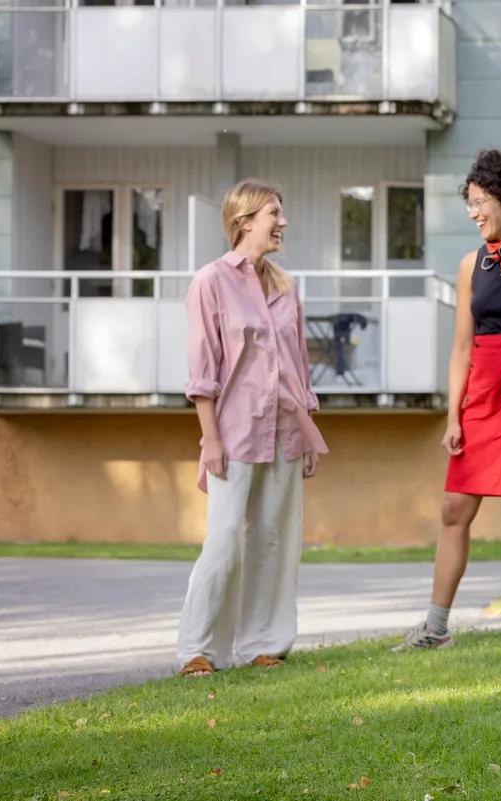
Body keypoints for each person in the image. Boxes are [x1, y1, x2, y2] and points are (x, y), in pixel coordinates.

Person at [393, 149, 501, 654]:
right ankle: (435, 626)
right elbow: (461, 347)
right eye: (469, 203)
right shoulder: (471, 265)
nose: (473, 212)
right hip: (485, 393)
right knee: (454, 508)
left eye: (481, 201)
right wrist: (454, 414)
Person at [176, 178, 328, 678]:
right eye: (273, 214)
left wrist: (307, 432)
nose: (282, 222)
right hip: (234, 433)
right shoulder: (210, 282)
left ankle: (263, 643)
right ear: (244, 222)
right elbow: (204, 372)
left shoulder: (286, 287)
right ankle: (198, 649)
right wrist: (210, 440)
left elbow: (298, 366)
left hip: (286, 430)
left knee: (273, 540)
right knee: (223, 540)